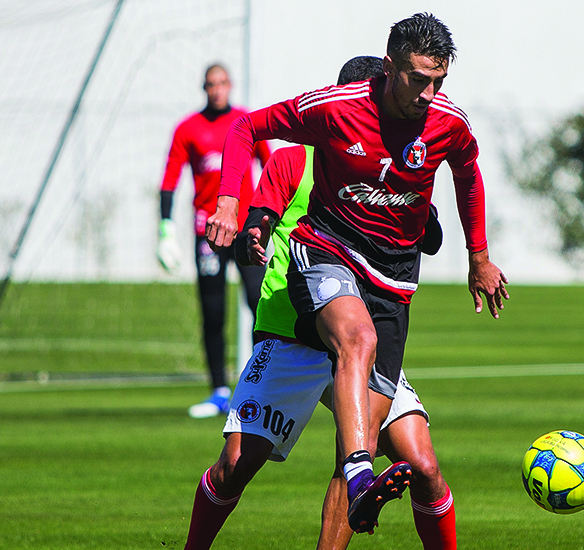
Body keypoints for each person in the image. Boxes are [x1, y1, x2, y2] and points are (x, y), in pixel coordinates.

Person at [206, 13, 509, 533]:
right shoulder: (322, 125)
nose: (428, 94)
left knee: (419, 465)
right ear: (389, 70)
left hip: (390, 284)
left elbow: (463, 178)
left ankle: (358, 476)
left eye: (439, 82)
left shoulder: (446, 123)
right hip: (308, 294)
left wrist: (477, 256)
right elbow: (247, 131)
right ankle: (358, 475)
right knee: (243, 461)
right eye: (419, 79)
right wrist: (235, 206)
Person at [183, 57, 456, 550]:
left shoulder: (389, 170)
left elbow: (431, 234)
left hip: (355, 339)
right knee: (233, 468)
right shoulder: (292, 159)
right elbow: (259, 217)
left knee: (423, 465)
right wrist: (252, 234)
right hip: (291, 334)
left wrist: (419, 208)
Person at [158, 63, 272, 418]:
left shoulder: (246, 123)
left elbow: (272, 169)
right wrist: (165, 229)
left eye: (222, 83)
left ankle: (262, 384)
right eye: (211, 84)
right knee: (213, 311)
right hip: (207, 233)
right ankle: (219, 391)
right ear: (203, 88)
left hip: (246, 229)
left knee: (260, 305)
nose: (217, 89)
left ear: (230, 85)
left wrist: (271, 218)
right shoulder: (188, 129)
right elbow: (170, 179)